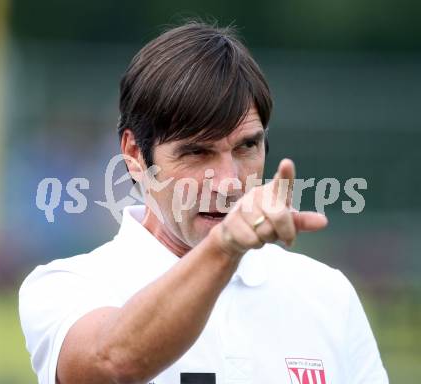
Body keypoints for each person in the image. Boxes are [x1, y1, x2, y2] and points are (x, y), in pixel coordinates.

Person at [19, 21, 388, 384]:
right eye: (196, 152)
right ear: (134, 153)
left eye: (247, 147)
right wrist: (225, 248)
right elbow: (113, 365)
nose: (228, 182)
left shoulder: (328, 295)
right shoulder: (67, 285)